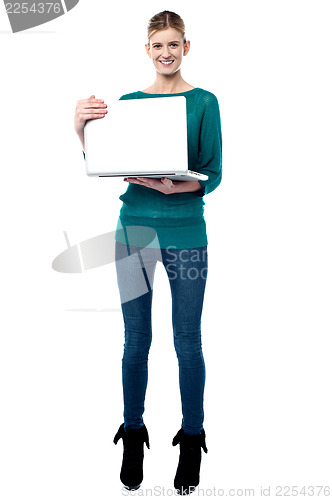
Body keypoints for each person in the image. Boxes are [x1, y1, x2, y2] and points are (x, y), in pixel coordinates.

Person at [74, 10, 222, 496]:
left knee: (187, 341)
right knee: (136, 340)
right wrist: (81, 131)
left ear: (185, 47)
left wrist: (175, 187)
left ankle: (191, 436)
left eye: (173, 45)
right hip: (133, 231)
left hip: (186, 233)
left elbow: (213, 173)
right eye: (157, 45)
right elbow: (107, 161)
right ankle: (133, 433)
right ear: (147, 49)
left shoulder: (204, 102)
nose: (166, 53)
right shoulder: (129, 104)